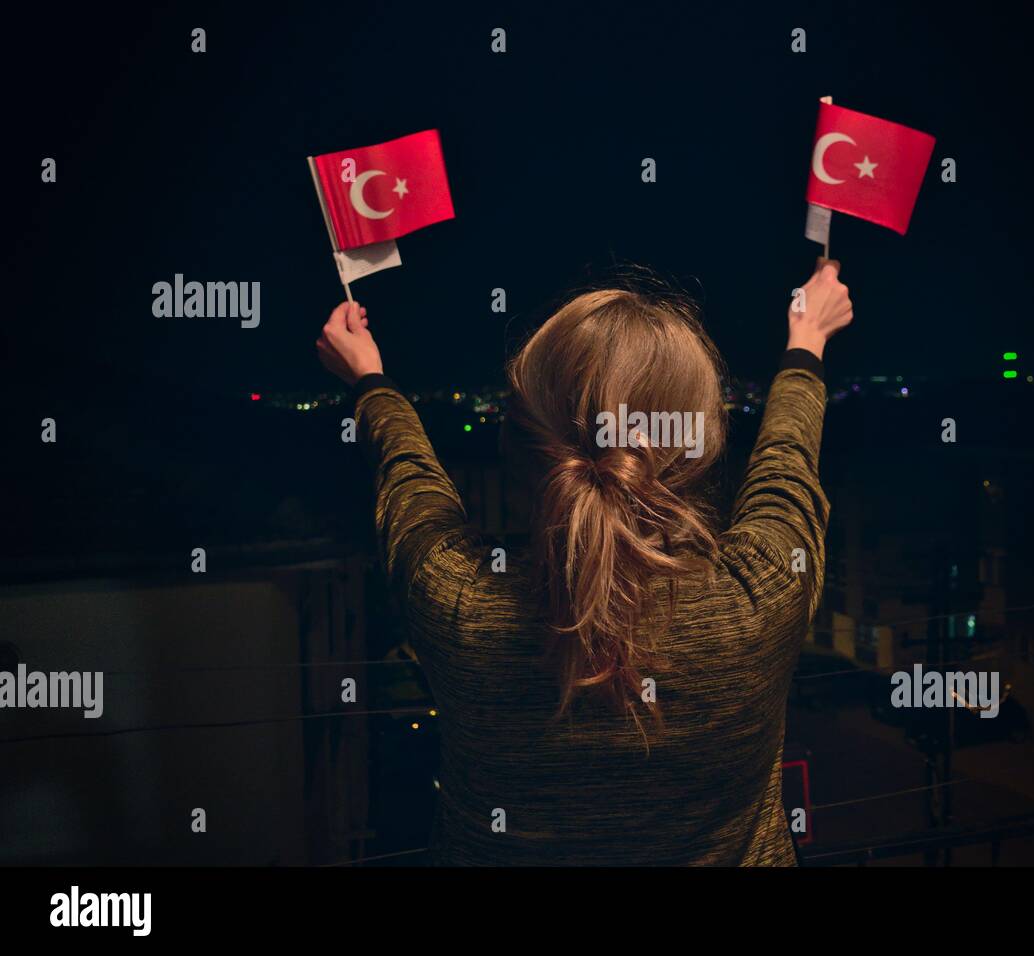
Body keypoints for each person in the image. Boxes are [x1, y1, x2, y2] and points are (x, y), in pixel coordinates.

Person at [315, 261, 852, 865]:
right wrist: (806, 341)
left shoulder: (457, 605)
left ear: (514, 446)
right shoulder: (764, 596)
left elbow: (410, 482)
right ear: (702, 443)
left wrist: (369, 378)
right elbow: (787, 461)